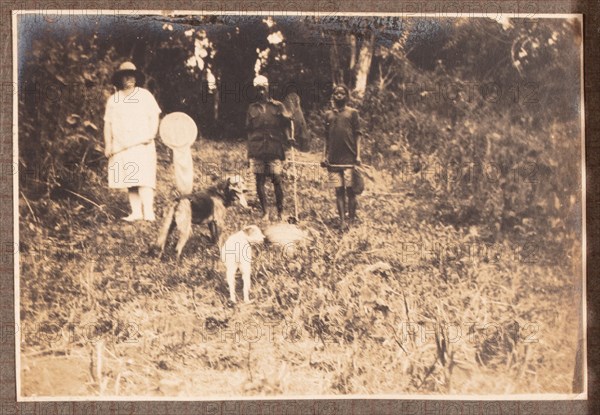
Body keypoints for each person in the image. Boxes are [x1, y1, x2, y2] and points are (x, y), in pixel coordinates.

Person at [103, 62, 161, 222]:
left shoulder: (144, 95)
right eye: (125, 75)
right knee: (131, 179)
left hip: (142, 144)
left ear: (136, 77)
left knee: (145, 179)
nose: (129, 78)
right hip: (122, 146)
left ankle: (149, 212)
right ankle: (136, 212)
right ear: (120, 79)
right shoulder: (113, 100)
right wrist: (108, 144)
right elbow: (107, 123)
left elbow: (154, 116)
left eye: (132, 75)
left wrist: (151, 134)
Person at [246, 75, 294, 221]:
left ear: (268, 88)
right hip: (258, 148)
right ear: (255, 90)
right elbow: (249, 130)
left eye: (263, 88)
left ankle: (280, 212)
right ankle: (265, 212)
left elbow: (286, 123)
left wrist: (289, 137)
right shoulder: (251, 108)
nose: (261, 92)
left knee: (277, 179)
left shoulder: (277, 106)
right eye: (258, 89)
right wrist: (249, 151)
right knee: (259, 180)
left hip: (274, 148)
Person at [322, 84, 362, 228]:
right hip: (333, 160)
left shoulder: (352, 113)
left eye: (342, 93)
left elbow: (358, 135)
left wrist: (358, 155)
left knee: (350, 191)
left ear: (346, 96)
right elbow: (326, 137)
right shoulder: (328, 115)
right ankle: (342, 221)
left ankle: (351, 220)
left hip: (349, 158)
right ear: (333, 96)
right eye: (336, 93)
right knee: (338, 190)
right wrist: (323, 156)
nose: (339, 95)